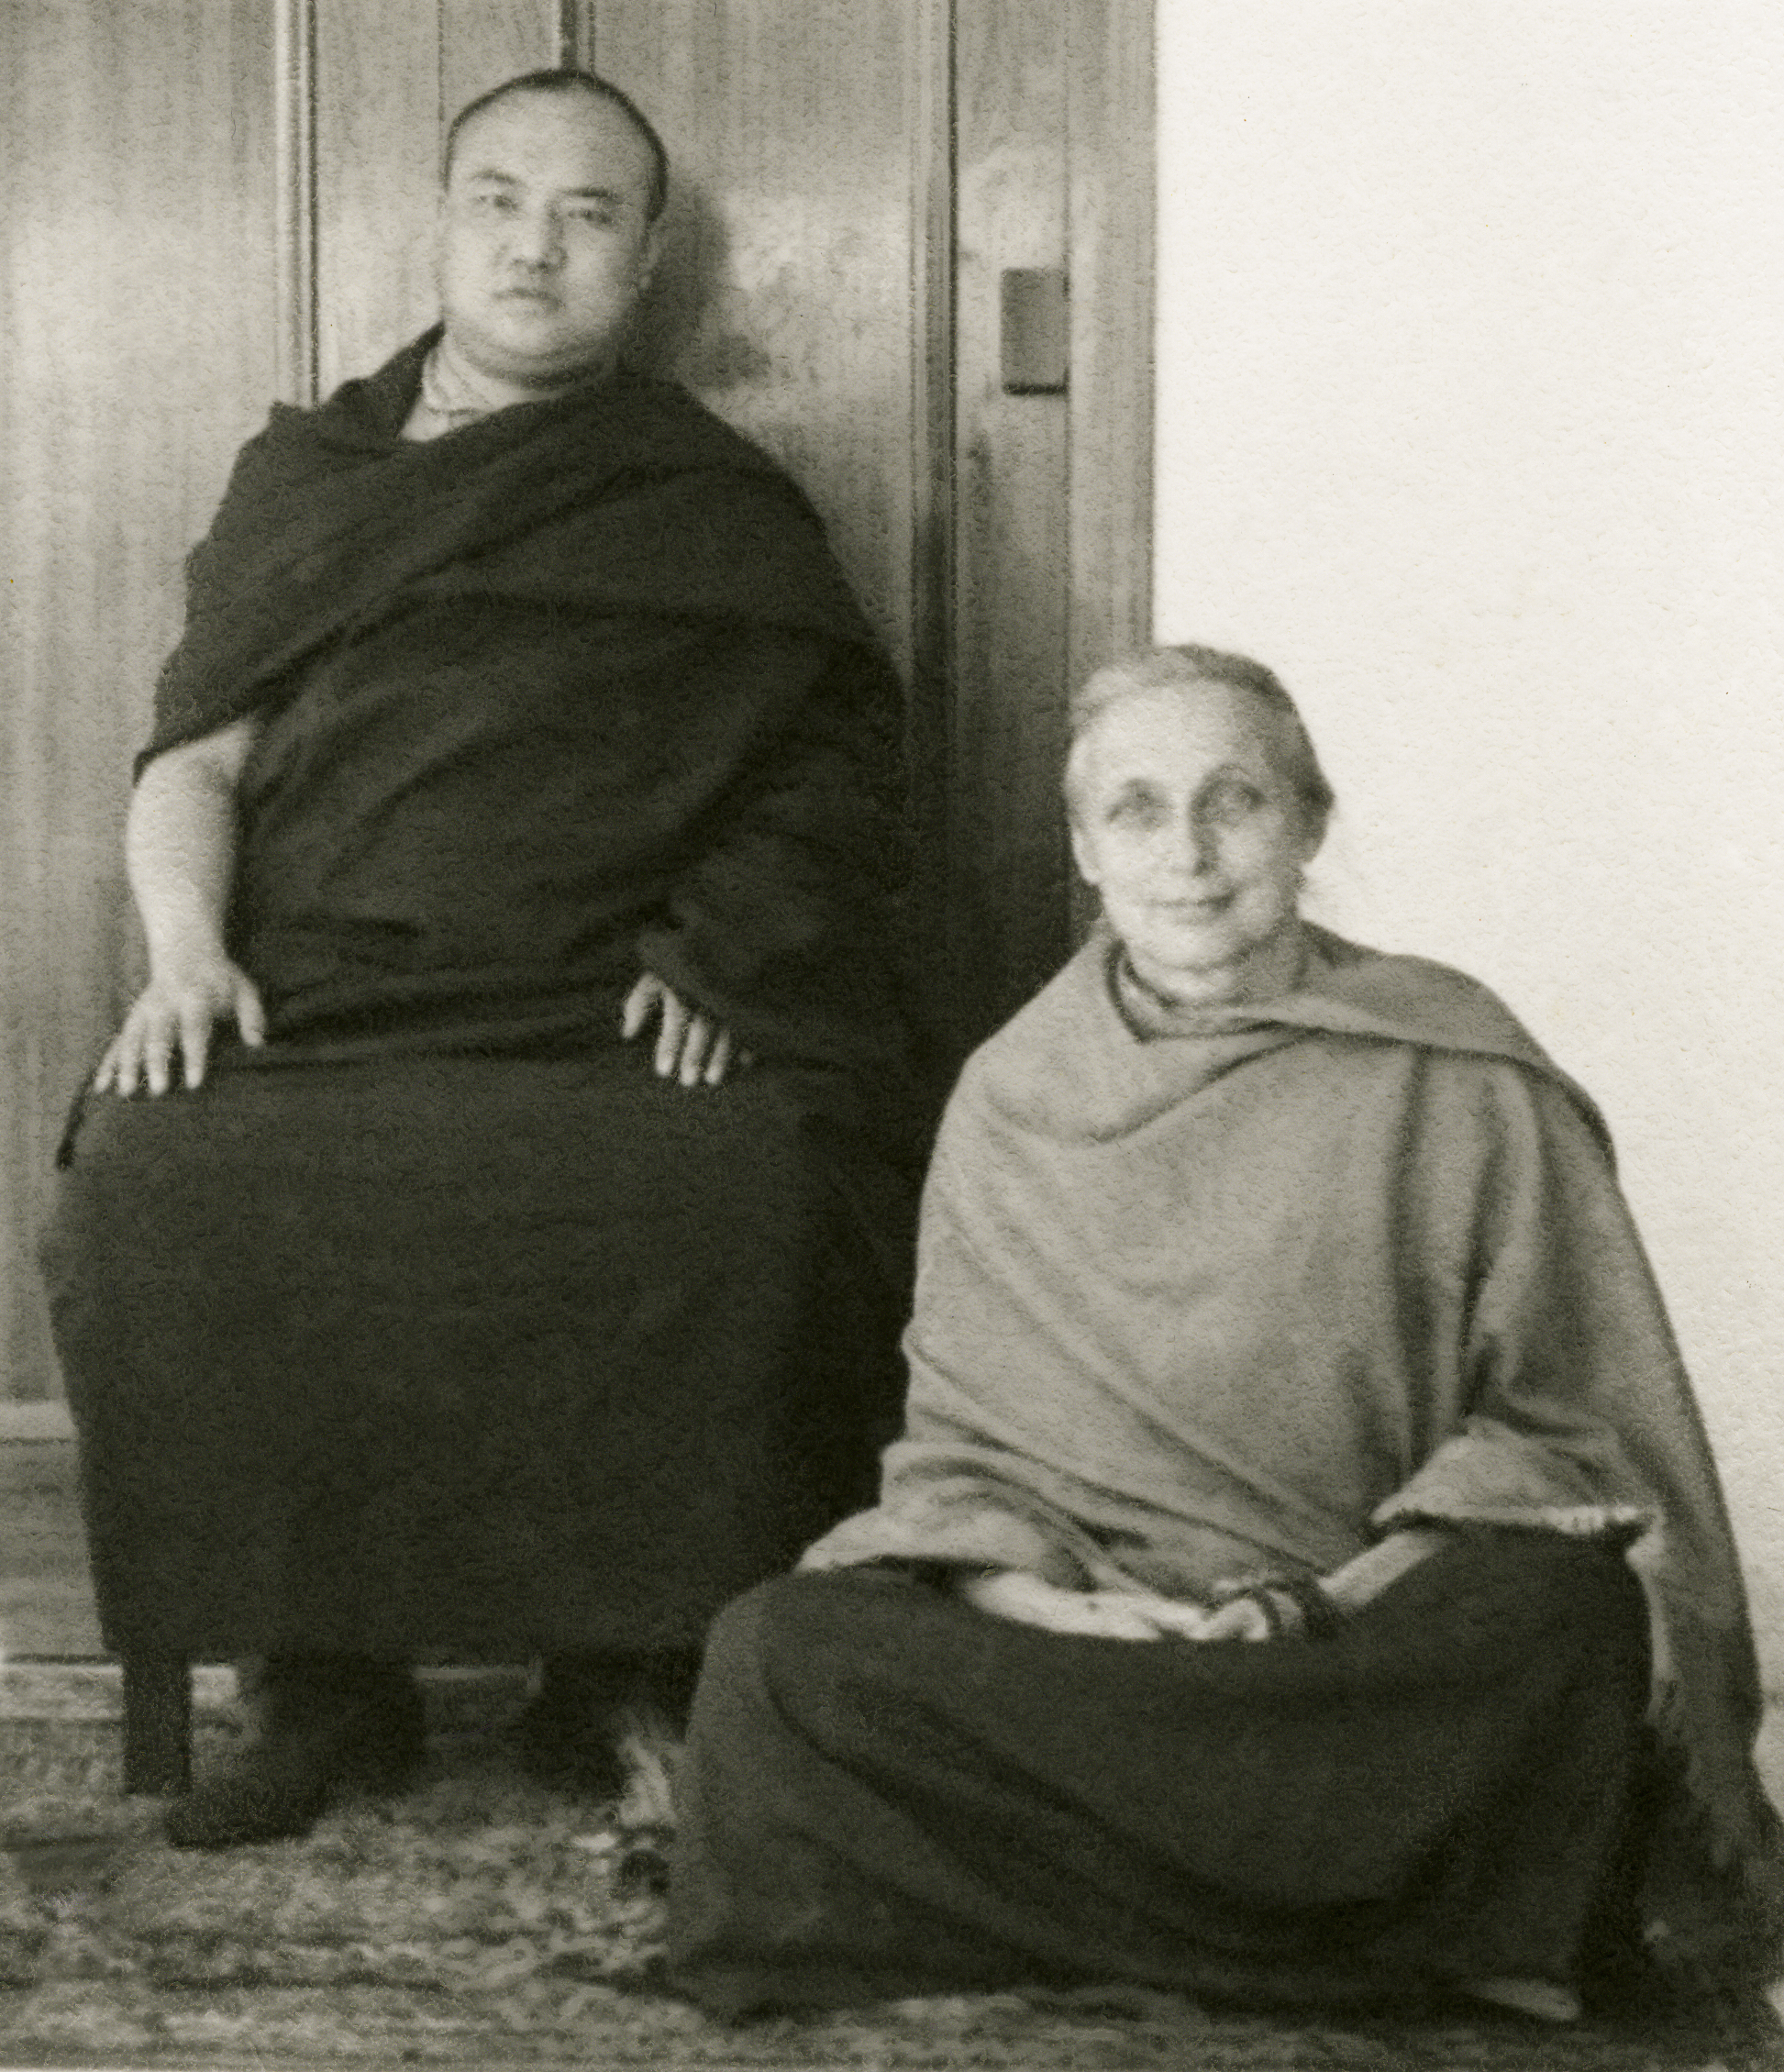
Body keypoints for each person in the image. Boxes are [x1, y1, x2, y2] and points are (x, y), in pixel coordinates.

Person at [39, 70, 920, 1849]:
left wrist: (725, 947)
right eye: (499, 200)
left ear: (647, 255)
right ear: (438, 224)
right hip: (321, 995)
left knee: (744, 1175)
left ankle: (622, 1663)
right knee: (150, 1173)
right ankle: (319, 1679)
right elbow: (192, 762)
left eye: (590, 214)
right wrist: (187, 951)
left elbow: (830, 769)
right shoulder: (310, 481)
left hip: (605, 997)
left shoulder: (707, 498)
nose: (537, 244)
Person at [667, 645, 1784, 2029]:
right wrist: (1053, 1609)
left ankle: (1049, 1917)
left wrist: (1339, 1599)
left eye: (1233, 801)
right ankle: (1397, 1939)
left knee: (1562, 1618)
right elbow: (961, 1451)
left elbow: (1573, 1427)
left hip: (1358, 1644)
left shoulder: (1452, 1066)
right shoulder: (1014, 1094)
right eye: (1134, 810)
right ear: (1083, 848)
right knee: (778, 1654)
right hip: (1091, 1642)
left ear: (1309, 823)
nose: (1186, 854)